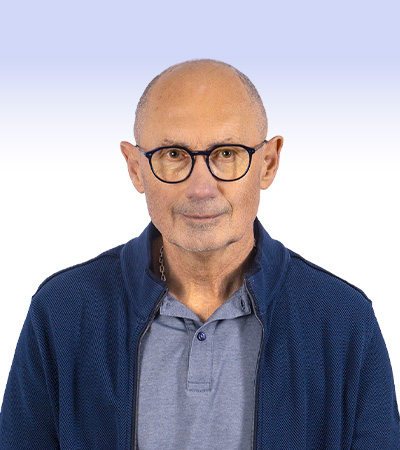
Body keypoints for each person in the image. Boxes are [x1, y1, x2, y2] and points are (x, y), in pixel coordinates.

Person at [0, 59, 399, 450]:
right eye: (174, 155)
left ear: (268, 163)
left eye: (227, 154)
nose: (201, 189)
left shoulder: (343, 321)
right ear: (135, 168)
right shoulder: (62, 312)